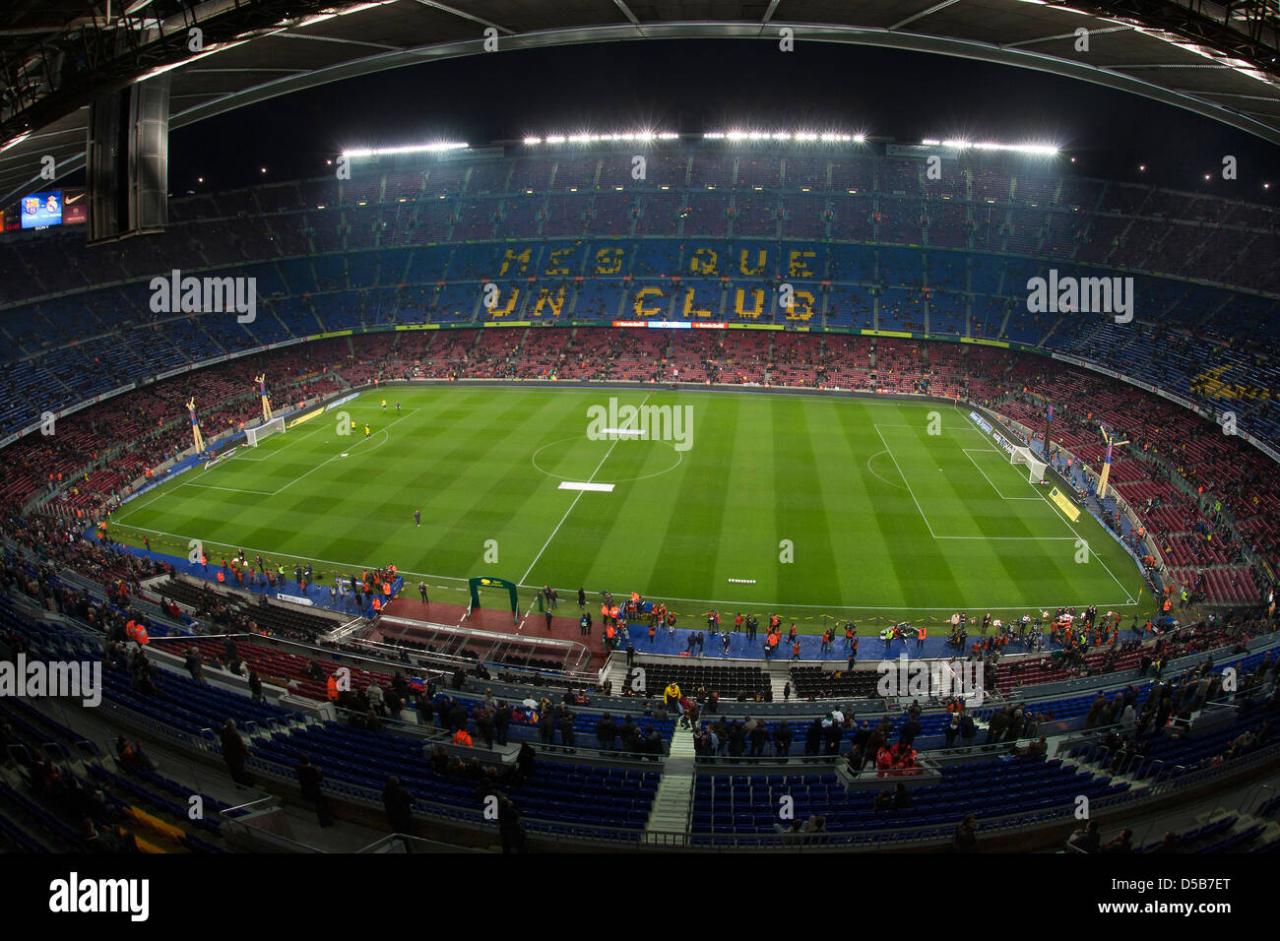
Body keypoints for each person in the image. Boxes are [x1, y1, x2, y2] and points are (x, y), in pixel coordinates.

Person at [295, 756, 333, 827]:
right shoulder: (312, 770)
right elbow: (319, 779)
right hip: (314, 790)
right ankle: (325, 822)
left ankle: (325, 822)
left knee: (319, 806)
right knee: (321, 806)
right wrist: (319, 771)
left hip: (306, 789)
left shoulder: (298, 768)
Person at [219, 719, 255, 787]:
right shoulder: (235, 734)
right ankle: (242, 785)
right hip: (236, 757)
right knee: (239, 771)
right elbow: (241, 746)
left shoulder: (223, 732)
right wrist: (248, 754)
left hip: (227, 756)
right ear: (233, 725)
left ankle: (237, 785)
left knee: (233, 772)